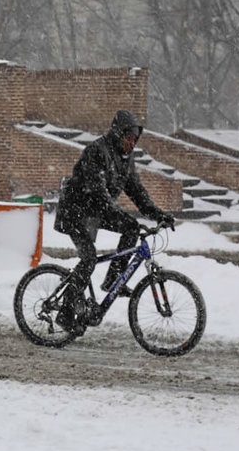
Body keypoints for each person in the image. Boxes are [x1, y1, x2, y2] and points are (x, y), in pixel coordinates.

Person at [53, 110, 175, 331]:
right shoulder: (96, 151)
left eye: (134, 139)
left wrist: (159, 214)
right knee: (89, 258)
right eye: (128, 137)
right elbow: (98, 192)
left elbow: (137, 192)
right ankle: (65, 312)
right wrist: (118, 213)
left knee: (131, 228)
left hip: (95, 211)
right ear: (118, 133)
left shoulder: (125, 160)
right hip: (75, 211)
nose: (132, 142)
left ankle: (113, 279)